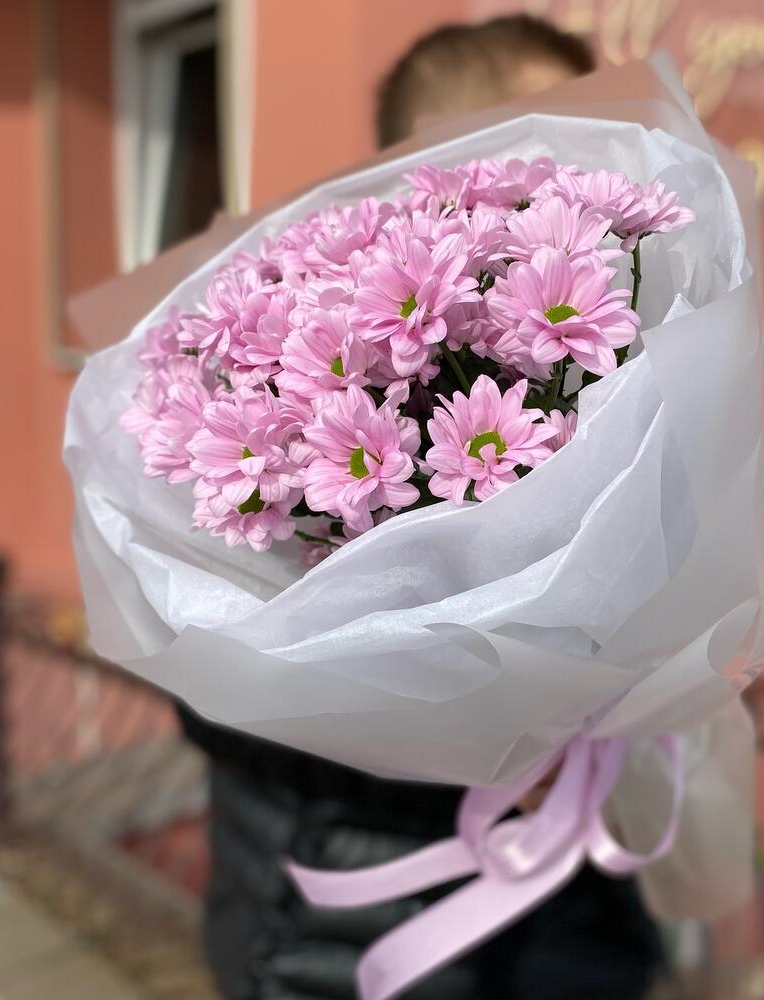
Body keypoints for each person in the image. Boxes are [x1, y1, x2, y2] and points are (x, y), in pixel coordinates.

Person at [180, 15, 663, 1000]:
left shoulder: (612, 355)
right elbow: (211, 654)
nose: (555, 187)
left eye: (586, 146)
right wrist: (454, 724)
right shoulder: (274, 361)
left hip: (569, 916)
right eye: (536, 148)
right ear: (416, 163)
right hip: (336, 915)